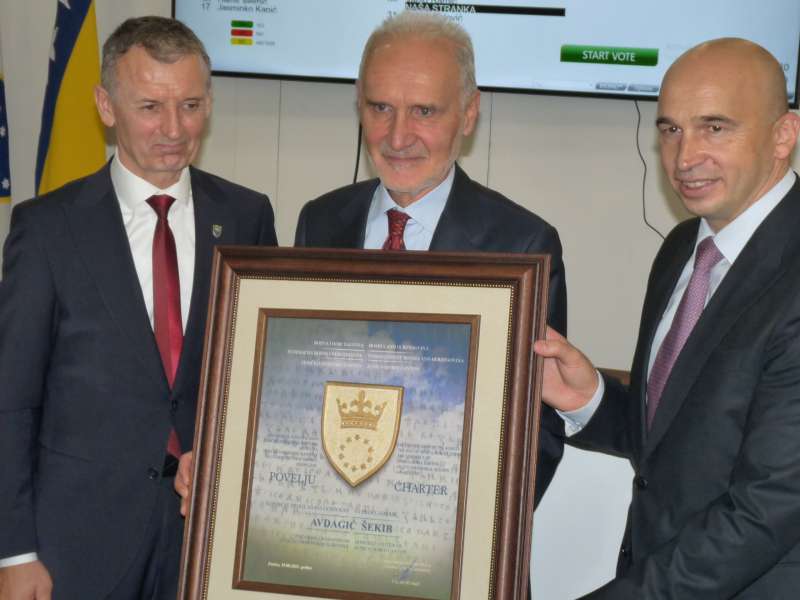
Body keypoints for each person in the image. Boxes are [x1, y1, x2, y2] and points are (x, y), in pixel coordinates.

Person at [0, 16, 277, 600]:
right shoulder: (47, 228)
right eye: (150, 107)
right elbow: (12, 400)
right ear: (106, 106)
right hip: (78, 544)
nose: (174, 128)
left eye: (191, 105)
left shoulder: (247, 216)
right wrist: (15, 551)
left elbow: (262, 378)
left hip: (204, 536)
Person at [535, 38, 800, 598]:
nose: (684, 157)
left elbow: (767, 506)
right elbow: (674, 441)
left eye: (715, 127)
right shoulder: (683, 247)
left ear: (784, 135)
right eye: (671, 129)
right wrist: (590, 399)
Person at [293, 10, 567, 508]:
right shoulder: (320, 223)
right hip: (325, 519)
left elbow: (537, 435)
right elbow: (294, 389)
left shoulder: (522, 246)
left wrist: (463, 527)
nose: (397, 137)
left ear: (468, 114)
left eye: (424, 111)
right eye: (380, 108)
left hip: (446, 533)